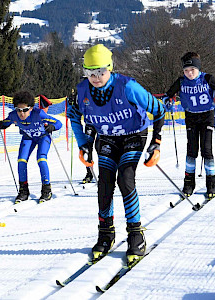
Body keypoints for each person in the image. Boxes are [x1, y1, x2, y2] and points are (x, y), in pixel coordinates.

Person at [68, 44, 165, 265]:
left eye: (101, 71)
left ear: (110, 68)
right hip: (107, 138)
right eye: (90, 73)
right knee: (104, 183)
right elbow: (75, 115)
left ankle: (136, 234)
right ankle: (106, 233)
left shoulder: (128, 87)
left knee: (125, 178)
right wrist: (84, 143)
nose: (95, 77)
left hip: (133, 135)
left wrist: (156, 143)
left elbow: (159, 109)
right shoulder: (82, 91)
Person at [0, 91, 62, 203]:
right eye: (18, 110)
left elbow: (58, 123)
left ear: (30, 108)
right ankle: (23, 191)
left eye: (25, 110)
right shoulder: (13, 115)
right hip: (28, 137)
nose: (21, 113)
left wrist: (52, 127)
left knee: (41, 159)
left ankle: (46, 189)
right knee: (21, 160)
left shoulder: (39, 113)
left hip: (42, 137)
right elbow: (5, 122)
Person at [163, 52, 215, 200]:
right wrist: (169, 101)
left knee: (206, 149)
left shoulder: (207, 78)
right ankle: (188, 183)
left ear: (198, 68)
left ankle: (211, 182)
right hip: (191, 116)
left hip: (207, 116)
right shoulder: (181, 82)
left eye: (192, 70)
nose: (189, 73)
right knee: (192, 150)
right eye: (186, 70)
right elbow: (168, 95)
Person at [67, 89, 97, 184]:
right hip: (90, 124)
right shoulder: (81, 95)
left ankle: (107, 174)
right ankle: (89, 173)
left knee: (102, 148)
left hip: (105, 125)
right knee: (87, 147)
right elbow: (74, 117)